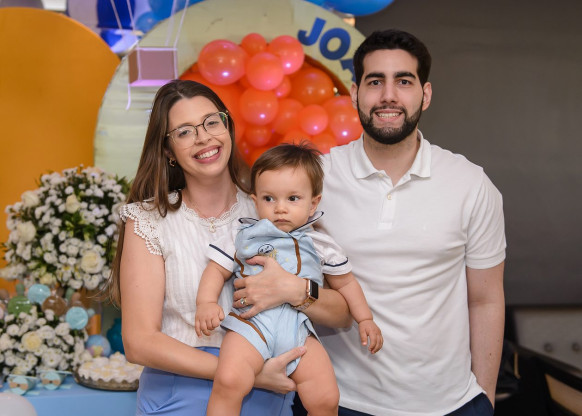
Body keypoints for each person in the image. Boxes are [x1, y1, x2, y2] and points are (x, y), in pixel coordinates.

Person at [106, 80, 352, 416]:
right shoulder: (148, 220)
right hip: (180, 399)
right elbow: (139, 343)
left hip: (269, 401)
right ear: (168, 151)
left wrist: (294, 289)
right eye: (184, 132)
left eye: (211, 122)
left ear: (228, 127)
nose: (203, 138)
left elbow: (342, 313)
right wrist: (246, 374)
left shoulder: (272, 208)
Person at [311, 29, 506, 416]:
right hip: (340, 402)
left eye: (403, 81)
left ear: (425, 94)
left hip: (451, 405)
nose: (388, 95)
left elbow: (485, 299)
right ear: (354, 93)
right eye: (375, 82)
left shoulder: (470, 183)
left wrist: (484, 396)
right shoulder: (316, 178)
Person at [195, 143, 383, 416]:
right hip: (251, 326)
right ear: (255, 200)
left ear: (313, 203)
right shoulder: (243, 234)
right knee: (229, 380)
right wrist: (205, 303)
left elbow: (346, 283)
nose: (280, 208)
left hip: (298, 331)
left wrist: (365, 319)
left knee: (326, 397)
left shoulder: (321, 244)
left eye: (293, 198)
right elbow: (216, 269)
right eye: (269, 199)